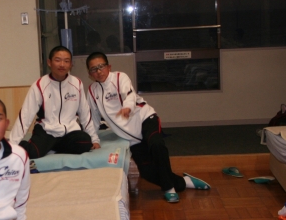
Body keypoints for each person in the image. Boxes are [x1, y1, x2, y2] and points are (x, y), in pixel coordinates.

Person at [85, 52, 211, 203]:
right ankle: (184, 182)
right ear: (89, 74)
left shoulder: (120, 77)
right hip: (131, 137)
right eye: (94, 69)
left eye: (101, 66)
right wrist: (94, 139)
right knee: (146, 172)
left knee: (157, 145)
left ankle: (169, 189)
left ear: (109, 67)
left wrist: (127, 107)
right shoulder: (92, 91)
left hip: (144, 118)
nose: (99, 71)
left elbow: (130, 95)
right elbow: (93, 117)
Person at [10, 46, 100, 159]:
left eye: (66, 61)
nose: (62, 64)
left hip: (69, 131)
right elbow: (25, 115)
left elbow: (85, 113)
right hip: (47, 130)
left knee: (85, 142)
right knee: (33, 152)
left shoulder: (77, 83)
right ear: (49, 62)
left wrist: (94, 139)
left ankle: (51, 147)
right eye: (58, 60)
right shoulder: (39, 85)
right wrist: (12, 144)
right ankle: (47, 145)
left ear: (71, 64)